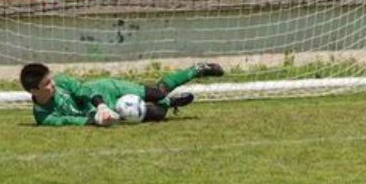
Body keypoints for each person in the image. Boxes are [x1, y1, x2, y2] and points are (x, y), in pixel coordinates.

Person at [20, 61, 225, 126]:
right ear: (34, 90)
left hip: (107, 89)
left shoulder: (62, 81)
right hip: (108, 111)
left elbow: (85, 91)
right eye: (47, 84)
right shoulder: (43, 116)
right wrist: (98, 119)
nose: (53, 84)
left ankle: (196, 70)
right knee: (158, 113)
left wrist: (100, 105)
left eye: (51, 79)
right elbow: (69, 121)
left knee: (157, 92)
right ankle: (169, 103)